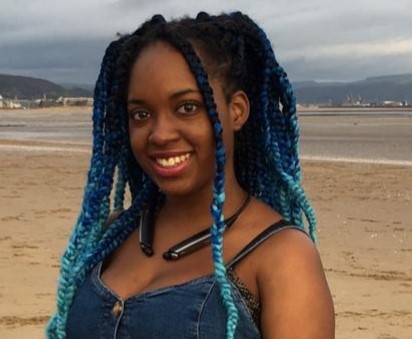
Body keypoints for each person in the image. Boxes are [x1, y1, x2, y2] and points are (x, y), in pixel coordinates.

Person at [46, 11, 334, 339]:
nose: (160, 134)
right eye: (140, 114)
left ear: (236, 111)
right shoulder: (111, 237)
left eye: (187, 107)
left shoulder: (282, 256)